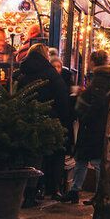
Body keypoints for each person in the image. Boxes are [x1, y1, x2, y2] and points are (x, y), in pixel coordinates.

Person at [16, 43, 71, 204]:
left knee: (30, 155)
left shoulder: (23, 74)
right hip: (49, 119)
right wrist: (63, 120)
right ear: (45, 55)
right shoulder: (51, 74)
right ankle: (42, 191)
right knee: (45, 156)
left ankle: (29, 192)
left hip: (26, 119)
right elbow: (62, 99)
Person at [65, 49, 110, 204]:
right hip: (95, 125)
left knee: (94, 160)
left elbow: (98, 102)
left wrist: (86, 115)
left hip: (93, 125)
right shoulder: (103, 77)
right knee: (83, 159)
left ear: (92, 61)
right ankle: (75, 190)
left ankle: (96, 192)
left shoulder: (101, 78)